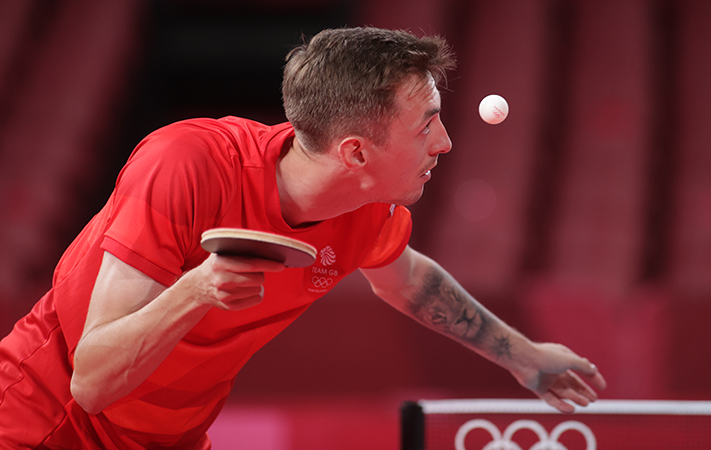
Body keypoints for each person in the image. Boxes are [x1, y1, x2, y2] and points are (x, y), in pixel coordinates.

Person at [0, 27, 606, 448]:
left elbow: (408, 280)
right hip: (44, 423)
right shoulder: (185, 164)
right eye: (427, 127)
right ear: (356, 153)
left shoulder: (366, 205)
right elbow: (93, 382)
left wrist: (523, 356)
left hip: (169, 439)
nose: (445, 143)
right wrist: (197, 290)